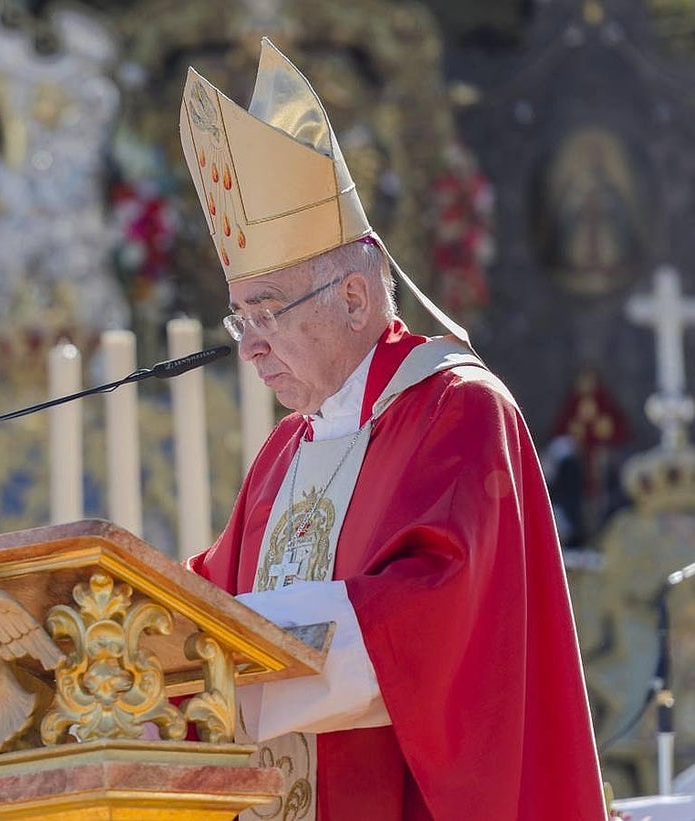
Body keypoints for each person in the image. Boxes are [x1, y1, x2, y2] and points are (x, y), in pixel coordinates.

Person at [180, 38, 607, 819]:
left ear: (351, 296)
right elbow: (206, 596)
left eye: (269, 310)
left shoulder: (458, 410)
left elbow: (425, 629)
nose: (253, 344)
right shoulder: (287, 450)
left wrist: (214, 649)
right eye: (240, 318)